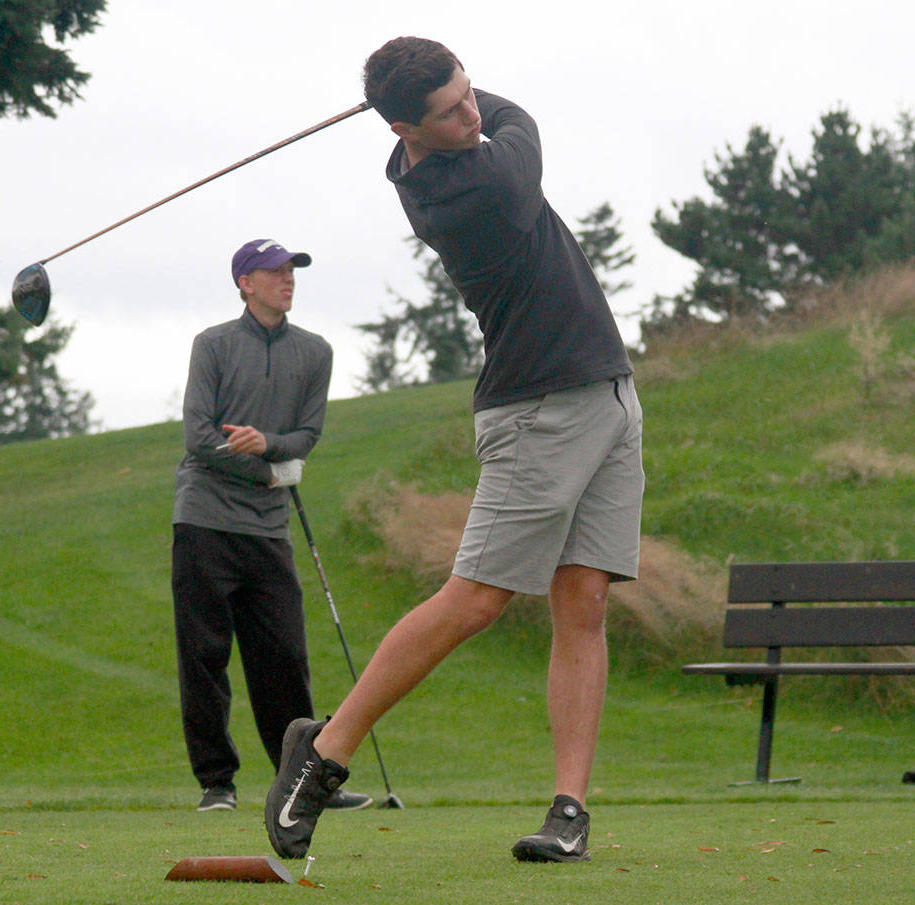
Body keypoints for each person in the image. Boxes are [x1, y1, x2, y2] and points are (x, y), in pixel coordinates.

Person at [266, 38, 644, 863]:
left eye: (471, 95)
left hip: (608, 394)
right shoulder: (475, 184)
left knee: (584, 600)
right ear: (408, 128)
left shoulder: (443, 147)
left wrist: (443, 90)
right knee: (475, 599)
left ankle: (569, 808)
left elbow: (482, 112)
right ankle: (325, 752)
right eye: (450, 110)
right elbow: (522, 120)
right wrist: (480, 98)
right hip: (538, 410)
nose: (473, 114)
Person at [172, 238, 373, 813]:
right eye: (273, 271)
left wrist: (270, 447)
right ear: (245, 283)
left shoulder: (315, 352)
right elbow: (198, 436)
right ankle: (217, 783)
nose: (286, 279)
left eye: (290, 270)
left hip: (267, 529)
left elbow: (307, 436)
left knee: (284, 658)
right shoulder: (212, 345)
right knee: (205, 655)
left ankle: (304, 778)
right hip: (204, 520)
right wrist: (266, 469)